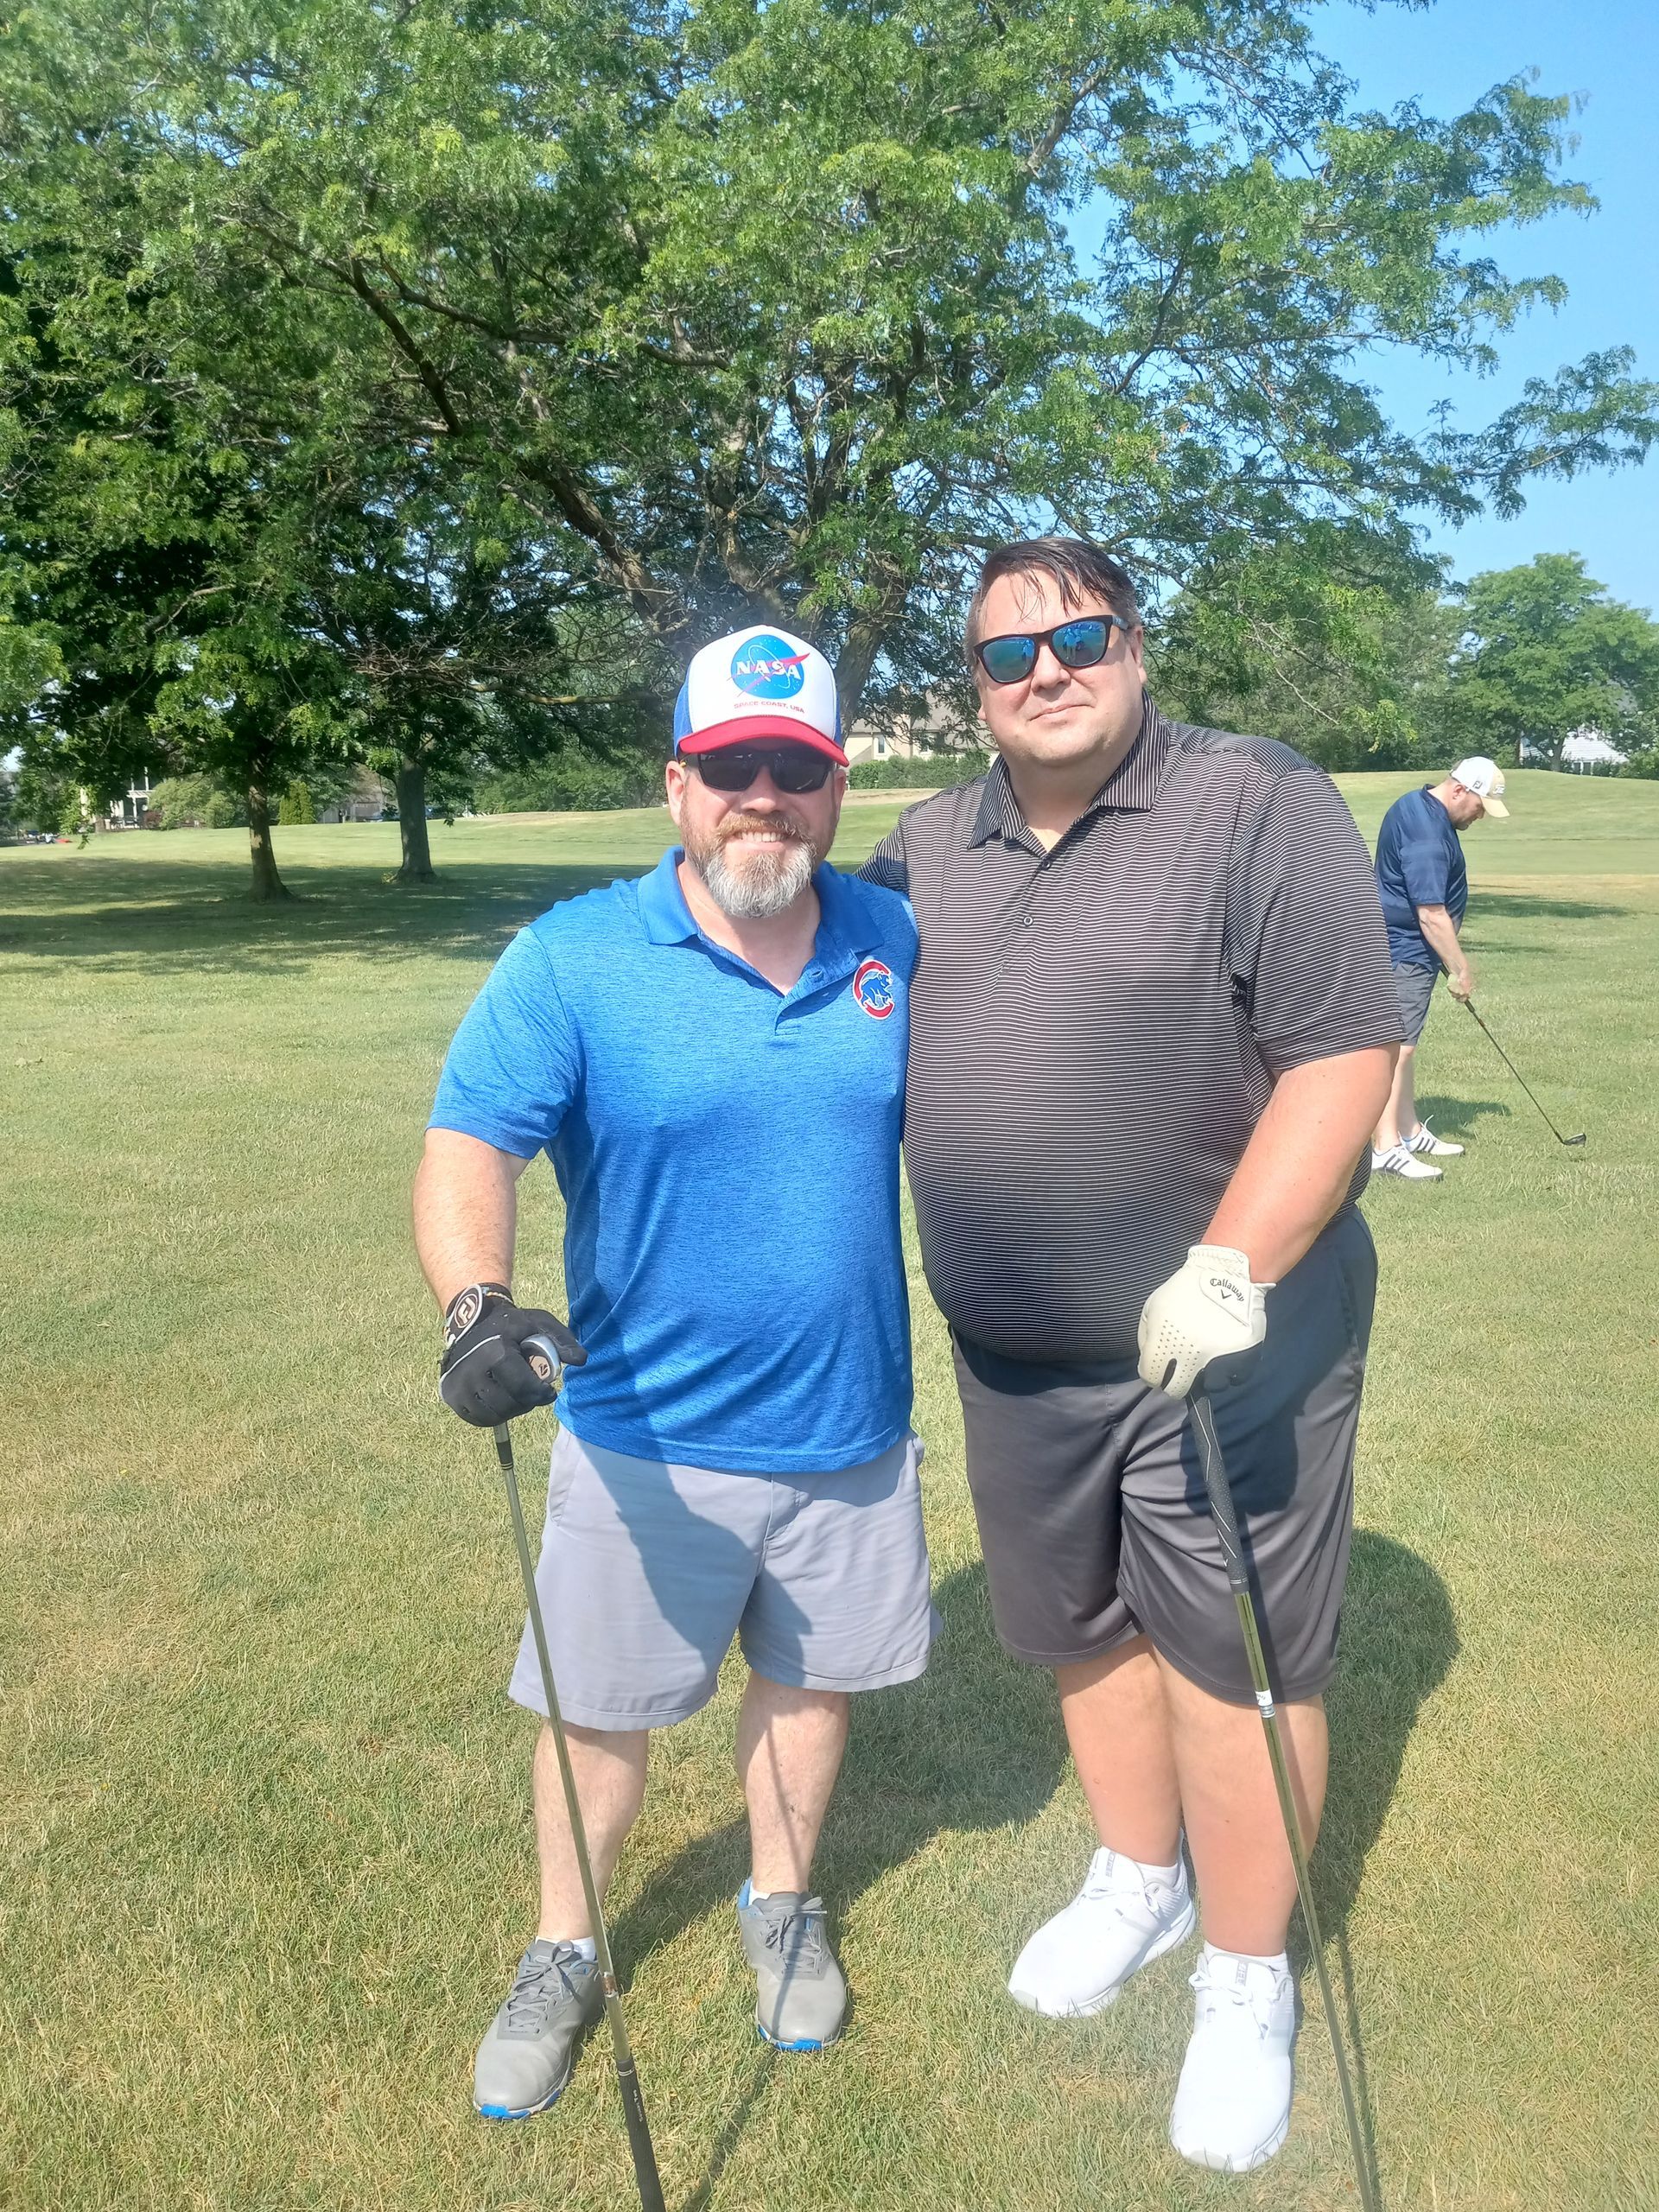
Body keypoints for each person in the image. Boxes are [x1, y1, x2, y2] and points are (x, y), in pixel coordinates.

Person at [861, 537, 1402, 2175]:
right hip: (1012, 1353)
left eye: (1077, 634)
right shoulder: (926, 841)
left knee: (1228, 1664)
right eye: (1005, 654)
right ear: (973, 684)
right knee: (1077, 1633)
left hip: (1220, 1349)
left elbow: (1341, 1051)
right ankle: (1136, 1879)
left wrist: (1231, 1265)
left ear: (1136, 641)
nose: (1045, 670)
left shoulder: (1252, 803)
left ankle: (1245, 1981)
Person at [414, 626, 931, 2121]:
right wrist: (474, 1306)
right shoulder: (574, 956)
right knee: (600, 1721)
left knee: (811, 1686)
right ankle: (563, 1951)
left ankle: (780, 1909)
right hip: (645, 1438)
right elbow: (470, 1145)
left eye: (796, 769)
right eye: (730, 769)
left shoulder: (892, 944)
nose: (762, 798)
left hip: (849, 1427)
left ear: (836, 788)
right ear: (677, 784)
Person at [1370, 758, 1510, 1180]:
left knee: (1405, 1043)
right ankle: (1385, 1147)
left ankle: (1409, 1131)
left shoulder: (1417, 805)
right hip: (1406, 949)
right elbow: (1431, 913)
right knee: (1396, 1048)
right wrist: (1460, 968)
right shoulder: (1428, 834)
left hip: (1409, 948)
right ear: (1460, 790)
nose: (1481, 815)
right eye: (1480, 805)